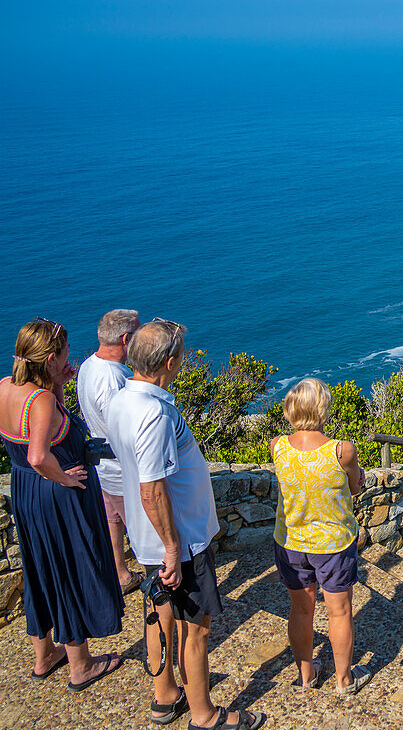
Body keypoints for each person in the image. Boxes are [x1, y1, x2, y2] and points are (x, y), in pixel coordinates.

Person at [107, 319, 265, 730]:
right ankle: (205, 715)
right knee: (196, 631)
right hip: (180, 542)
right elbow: (151, 488)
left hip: (147, 539)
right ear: (171, 361)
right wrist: (175, 550)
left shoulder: (122, 400)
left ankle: (165, 698)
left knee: (161, 617)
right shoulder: (155, 414)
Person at [0, 318, 124, 691]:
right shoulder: (40, 401)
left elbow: (38, 438)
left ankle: (44, 655)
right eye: (67, 353)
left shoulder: (6, 387)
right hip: (56, 495)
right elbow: (40, 455)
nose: (71, 357)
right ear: (52, 357)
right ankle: (80, 665)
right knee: (69, 568)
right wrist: (67, 478)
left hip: (25, 492)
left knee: (41, 569)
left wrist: (58, 385)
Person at [270, 378, 371, 694]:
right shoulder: (341, 450)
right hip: (332, 545)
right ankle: (344, 681)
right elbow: (355, 488)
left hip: (290, 542)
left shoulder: (277, 445)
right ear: (322, 410)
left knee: (301, 610)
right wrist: (359, 479)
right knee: (339, 612)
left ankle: (306, 674)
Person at [77, 308, 142, 594]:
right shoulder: (114, 378)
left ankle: (120, 574)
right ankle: (160, 584)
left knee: (111, 519)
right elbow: (124, 427)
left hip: (100, 464)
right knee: (142, 531)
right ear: (126, 338)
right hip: (120, 469)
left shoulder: (89, 365)